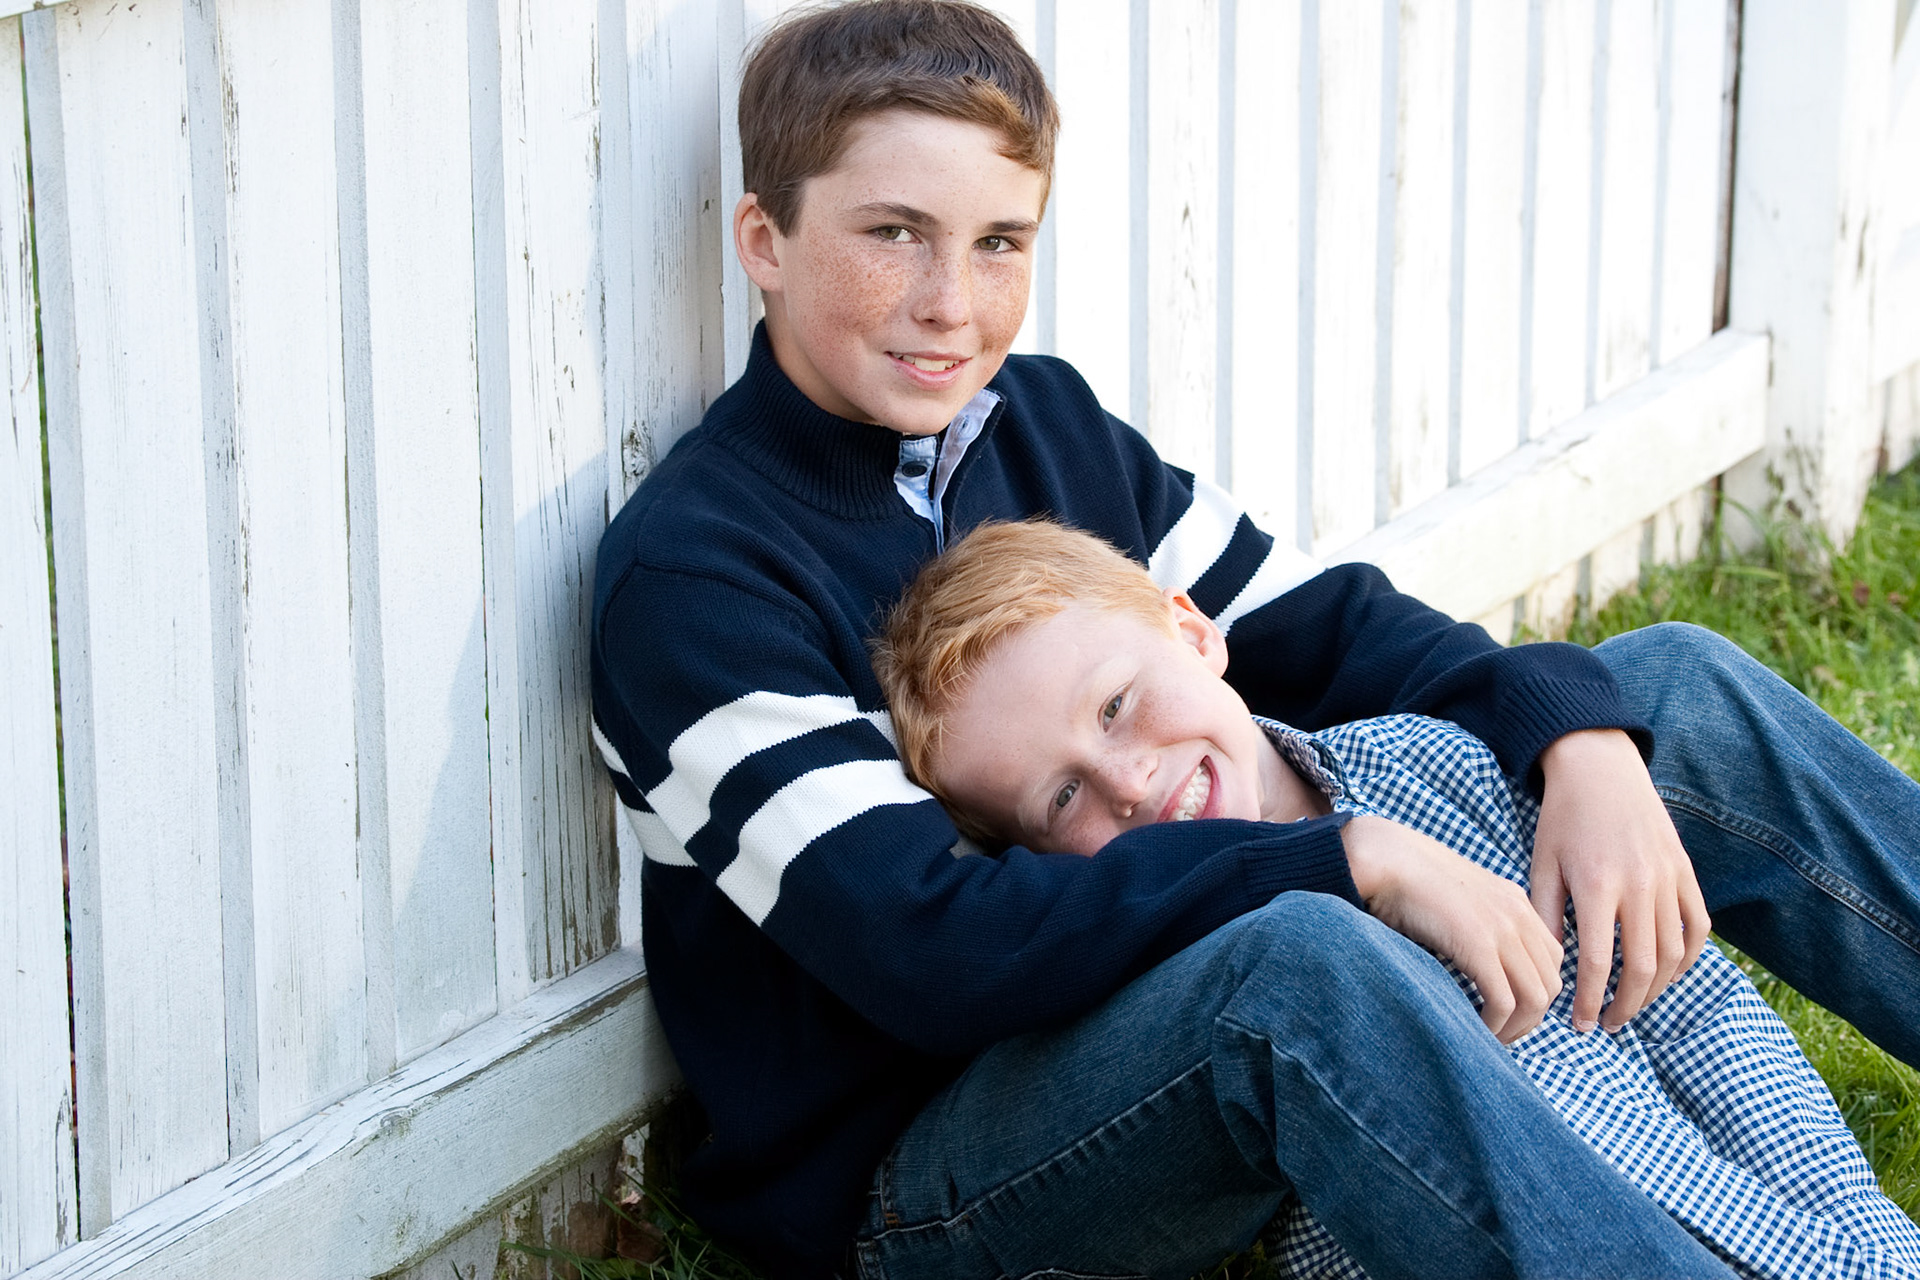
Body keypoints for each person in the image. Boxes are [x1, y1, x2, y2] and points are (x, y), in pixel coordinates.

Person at [587, 2, 1920, 1275]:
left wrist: (1583, 742)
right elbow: (929, 951)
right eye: (894, 233)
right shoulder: (699, 579)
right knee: (1301, 961)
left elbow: (1336, 636)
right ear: (764, 239)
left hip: (1142, 999)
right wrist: (1345, 856)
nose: (951, 302)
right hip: (934, 1170)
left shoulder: (1041, 427)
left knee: (1660, 688)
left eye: (998, 241)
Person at [870, 517, 1920, 1280]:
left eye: (1116, 705)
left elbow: (1698, 1022)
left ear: (1192, 633)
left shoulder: (1437, 770)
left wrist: (1864, 1250)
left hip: (1780, 1222)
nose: (1130, 781)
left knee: (1675, 677)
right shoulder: (1198, 981)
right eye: (1062, 797)